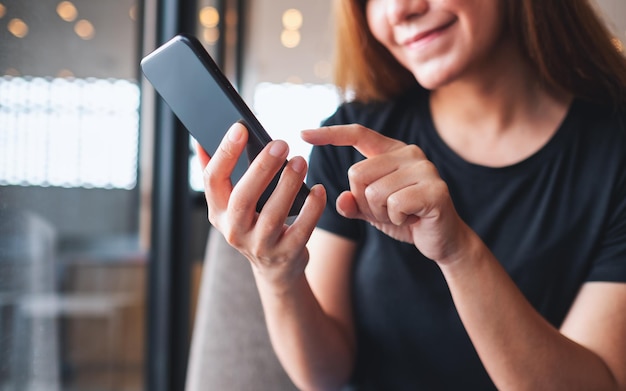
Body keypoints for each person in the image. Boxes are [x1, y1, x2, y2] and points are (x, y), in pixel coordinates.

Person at [197, 0, 626, 389]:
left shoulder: (614, 152)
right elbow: (324, 376)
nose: (399, 10)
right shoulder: (354, 136)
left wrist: (458, 253)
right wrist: (277, 273)